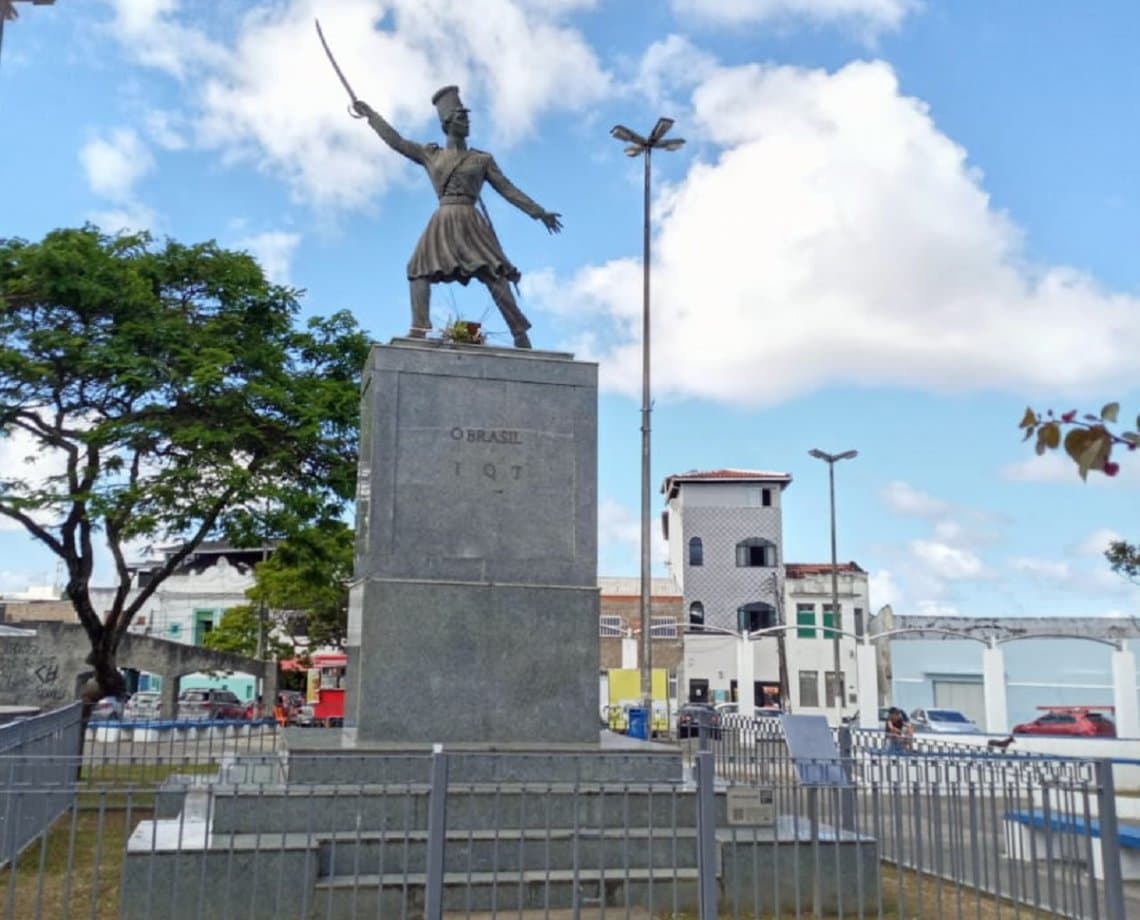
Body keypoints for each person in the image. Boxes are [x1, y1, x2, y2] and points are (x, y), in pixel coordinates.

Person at [353, 85, 562, 348]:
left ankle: (520, 333)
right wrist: (372, 116)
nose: (467, 122)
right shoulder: (430, 154)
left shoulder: (482, 159)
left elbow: (507, 189)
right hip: (442, 219)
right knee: (418, 269)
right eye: (462, 118)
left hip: (470, 220)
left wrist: (538, 212)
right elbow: (398, 141)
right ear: (447, 123)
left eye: (467, 118)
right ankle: (419, 327)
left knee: (493, 273)